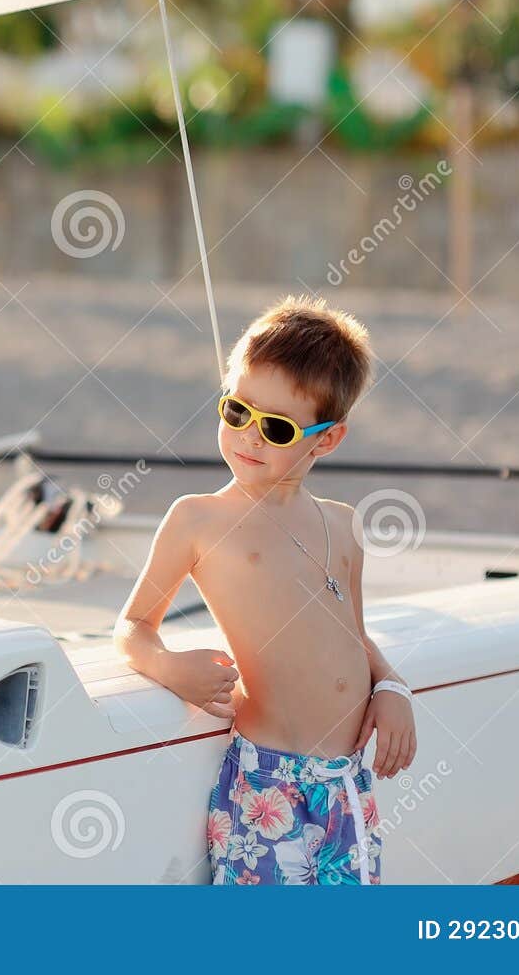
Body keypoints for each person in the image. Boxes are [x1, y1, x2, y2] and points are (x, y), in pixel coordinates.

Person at [113, 294, 415, 885]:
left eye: (275, 427)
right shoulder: (198, 519)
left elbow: (353, 635)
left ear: (326, 439)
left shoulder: (343, 525)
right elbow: (132, 626)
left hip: (348, 784)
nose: (249, 437)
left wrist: (392, 685)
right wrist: (168, 667)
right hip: (267, 786)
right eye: (236, 412)